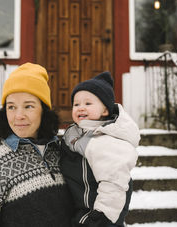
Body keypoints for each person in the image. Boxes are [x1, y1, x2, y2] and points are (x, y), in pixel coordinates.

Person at [0, 62, 74, 227]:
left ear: (44, 110)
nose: (18, 116)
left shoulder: (63, 154)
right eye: (11, 107)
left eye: (28, 106)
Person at [60, 71, 140, 227]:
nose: (80, 107)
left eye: (88, 103)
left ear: (105, 111)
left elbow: (114, 181)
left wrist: (102, 216)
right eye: (76, 104)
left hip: (96, 217)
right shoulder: (78, 134)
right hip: (80, 212)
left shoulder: (106, 139)